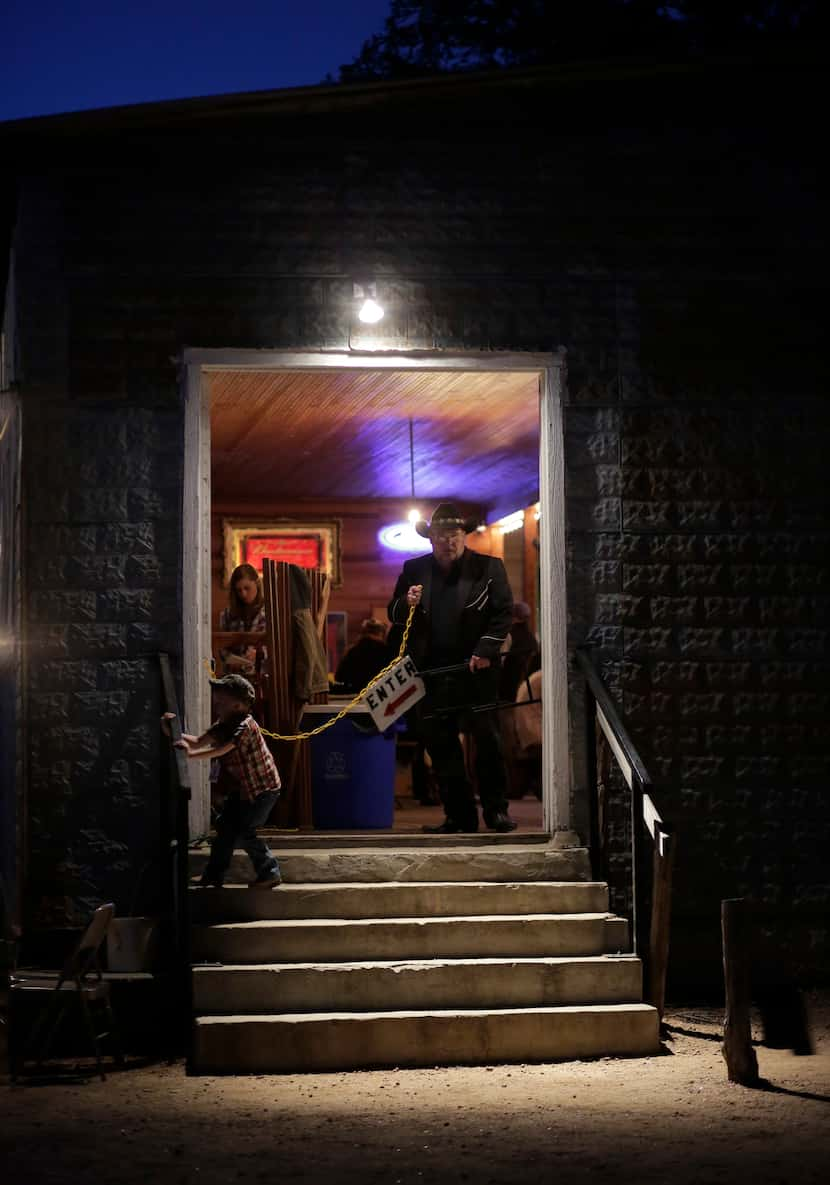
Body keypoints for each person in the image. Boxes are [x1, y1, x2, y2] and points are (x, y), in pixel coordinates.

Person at [387, 502, 517, 833]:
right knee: (440, 745)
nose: (450, 542)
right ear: (431, 539)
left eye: (456, 535)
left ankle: (496, 811)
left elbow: (503, 613)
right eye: (443, 536)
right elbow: (393, 611)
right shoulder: (414, 570)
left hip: (477, 669)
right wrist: (407, 603)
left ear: (465, 536)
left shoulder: (489, 567)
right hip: (431, 672)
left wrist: (486, 649)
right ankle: (459, 815)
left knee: (487, 740)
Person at [161, 673, 282, 889]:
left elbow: (223, 749)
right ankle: (213, 875)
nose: (217, 703)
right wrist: (174, 733)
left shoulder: (246, 726)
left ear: (238, 705)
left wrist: (190, 755)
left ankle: (269, 871)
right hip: (244, 790)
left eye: (222, 700)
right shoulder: (224, 724)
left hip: (263, 790)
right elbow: (198, 742)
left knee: (245, 830)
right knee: (224, 827)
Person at [218, 563, 266, 675]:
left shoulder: (269, 612)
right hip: (235, 677)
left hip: (262, 677)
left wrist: (259, 653)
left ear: (257, 584)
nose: (243, 594)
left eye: (247, 588)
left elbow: (276, 647)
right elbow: (222, 646)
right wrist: (230, 659)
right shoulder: (228, 614)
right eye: (239, 590)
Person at [335, 618, 389, 693]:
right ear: (381, 633)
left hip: (356, 694)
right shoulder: (386, 651)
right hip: (381, 693)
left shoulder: (353, 651)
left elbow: (339, 677)